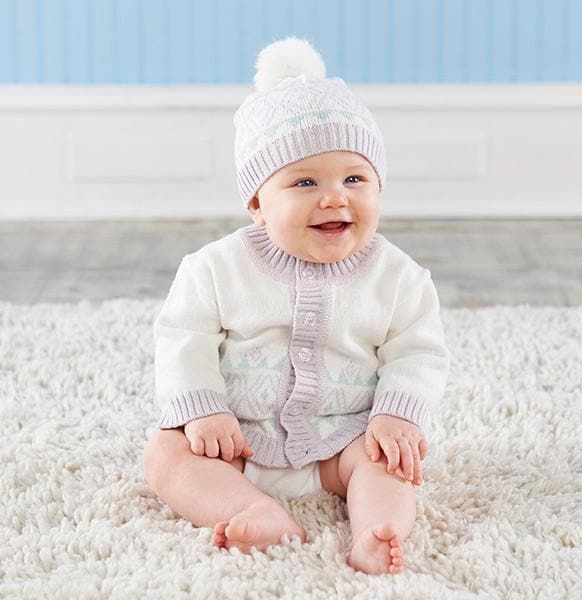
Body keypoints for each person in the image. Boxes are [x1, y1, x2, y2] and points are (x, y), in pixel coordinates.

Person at [143, 37, 450, 576]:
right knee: (165, 456)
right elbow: (182, 338)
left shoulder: (399, 276)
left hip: (344, 436)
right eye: (305, 182)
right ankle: (252, 509)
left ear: (379, 186)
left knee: (390, 465)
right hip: (236, 436)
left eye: (355, 178)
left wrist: (398, 414)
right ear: (258, 204)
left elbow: (418, 350)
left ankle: (378, 534)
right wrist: (202, 409)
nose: (335, 196)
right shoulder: (216, 267)